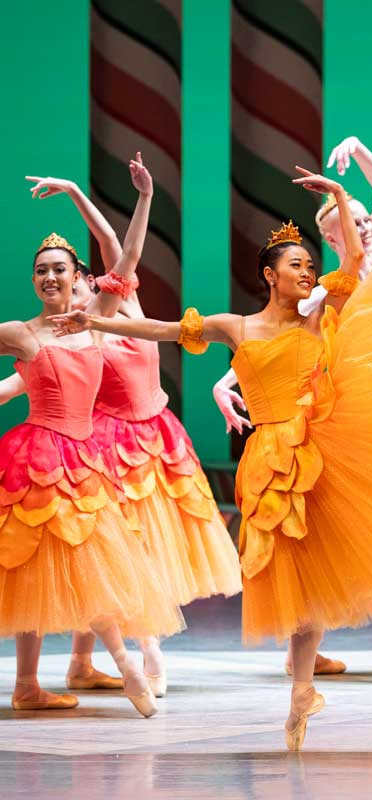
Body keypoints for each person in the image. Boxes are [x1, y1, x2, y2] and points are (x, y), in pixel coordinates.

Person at [49, 167, 372, 750]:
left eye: (308, 266)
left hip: (320, 441)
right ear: (270, 275)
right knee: (295, 579)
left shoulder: (316, 312)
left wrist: (341, 195)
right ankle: (302, 691)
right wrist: (95, 320)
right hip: (268, 459)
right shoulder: (237, 327)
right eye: (296, 266)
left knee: (367, 315)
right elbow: (162, 328)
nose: (307, 273)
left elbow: (344, 274)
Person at [214, 139, 372, 683]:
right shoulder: (323, 287)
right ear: (329, 238)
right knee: (338, 520)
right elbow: (278, 345)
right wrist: (224, 381)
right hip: (345, 399)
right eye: (347, 224)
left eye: (367, 217)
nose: (365, 224)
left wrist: (357, 154)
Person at [8, 164, 243, 697]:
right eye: (49, 272)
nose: (76, 284)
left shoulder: (114, 313)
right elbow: (22, 383)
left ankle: (93, 664)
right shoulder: (50, 334)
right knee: (95, 552)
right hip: (99, 447)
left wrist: (116, 195)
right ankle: (129, 656)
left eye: (72, 273)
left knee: (110, 552)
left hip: (147, 438)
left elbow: (121, 248)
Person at [0, 155, 184, 717]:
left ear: (76, 277)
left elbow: (125, 257)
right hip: (39, 460)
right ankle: (112, 669)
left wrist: (146, 197)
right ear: (33, 280)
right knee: (43, 569)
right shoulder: (20, 333)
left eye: (60, 268)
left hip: (87, 460)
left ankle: (37, 683)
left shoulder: (93, 320)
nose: (51, 276)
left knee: (83, 567)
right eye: (42, 270)